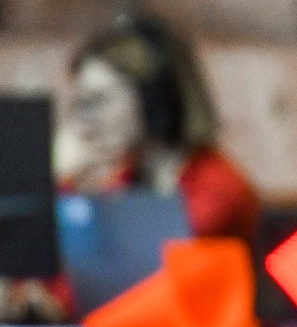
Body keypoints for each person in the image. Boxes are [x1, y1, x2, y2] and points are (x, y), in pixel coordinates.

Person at [61, 16, 259, 241]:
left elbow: (144, 251)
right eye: (80, 104)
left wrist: (74, 190)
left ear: (155, 102)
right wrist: (72, 184)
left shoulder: (216, 190)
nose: (84, 121)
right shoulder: (126, 179)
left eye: (99, 100)